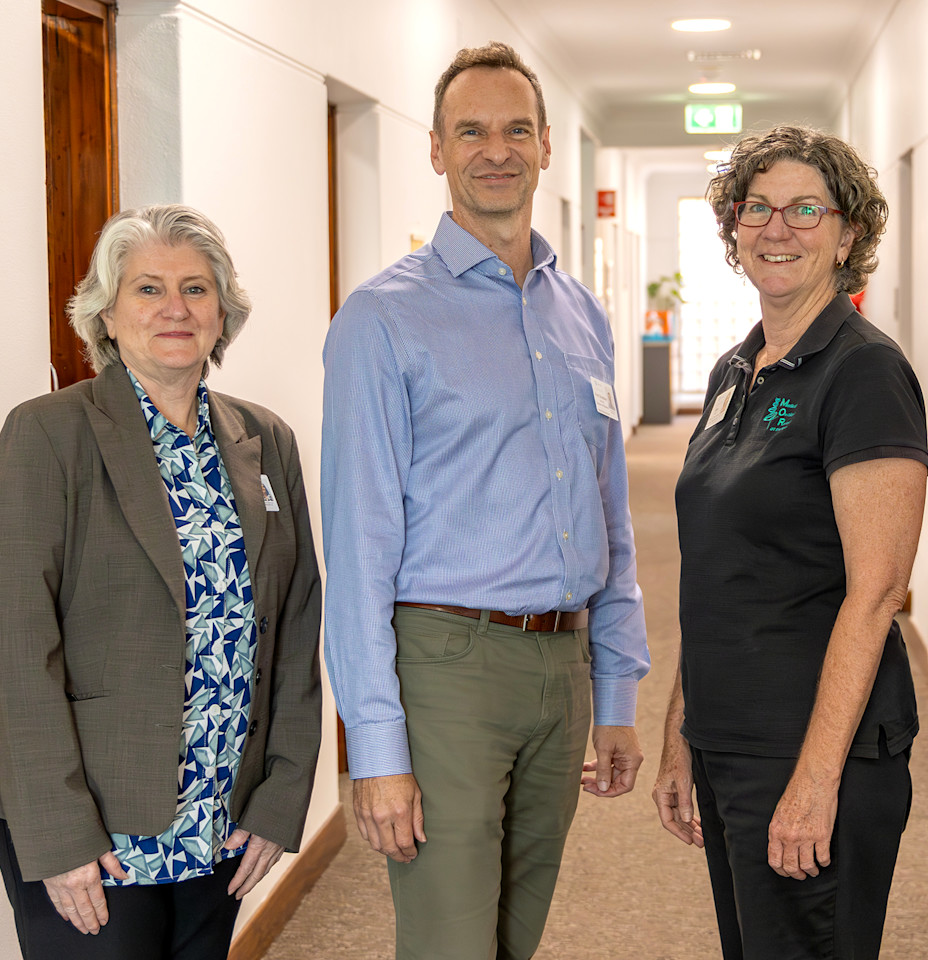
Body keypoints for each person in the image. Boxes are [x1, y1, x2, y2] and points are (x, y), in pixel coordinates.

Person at [320, 41, 650, 960]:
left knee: (516, 935)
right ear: (436, 149)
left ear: (546, 145)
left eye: (515, 130)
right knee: (449, 942)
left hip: (563, 665)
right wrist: (376, 752)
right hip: (445, 667)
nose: (494, 150)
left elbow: (609, 513)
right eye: (471, 131)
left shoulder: (580, 313)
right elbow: (357, 543)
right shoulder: (381, 320)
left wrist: (615, 689)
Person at [0, 204, 323, 958]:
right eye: (147, 289)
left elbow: (295, 624)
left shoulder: (266, 440)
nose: (175, 308)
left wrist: (282, 795)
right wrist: (59, 835)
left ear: (223, 312)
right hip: (95, 824)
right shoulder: (49, 433)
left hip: (221, 812)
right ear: (106, 311)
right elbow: (16, 644)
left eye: (197, 289)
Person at [653, 125, 928, 959]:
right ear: (733, 230)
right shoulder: (737, 369)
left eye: (805, 209)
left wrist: (815, 780)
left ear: (849, 233)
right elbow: (718, 572)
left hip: (815, 747)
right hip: (732, 739)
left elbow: (877, 592)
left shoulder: (863, 374)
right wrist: (681, 730)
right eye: (756, 209)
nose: (777, 228)